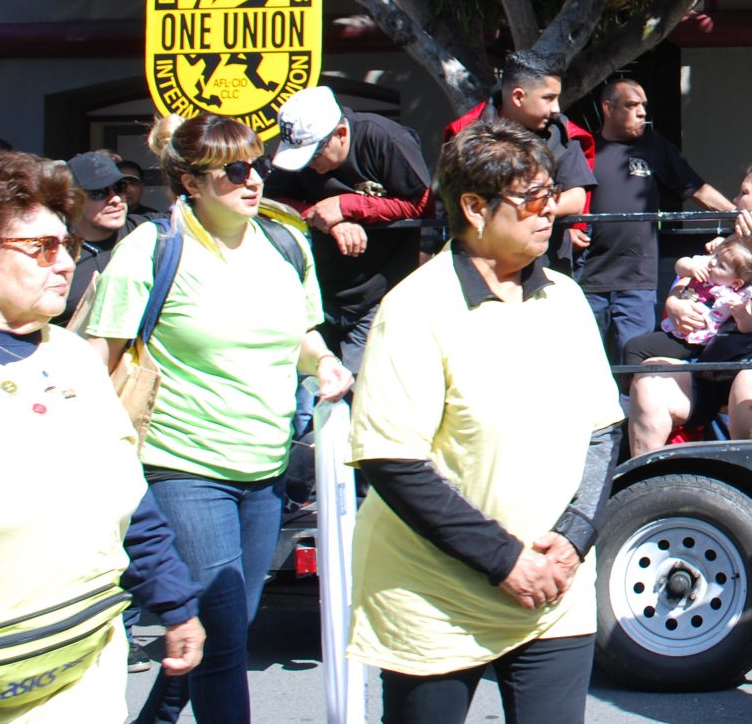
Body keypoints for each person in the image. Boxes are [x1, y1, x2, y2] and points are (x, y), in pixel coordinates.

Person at [346, 119, 622, 723]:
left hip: (555, 593)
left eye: (553, 195)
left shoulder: (567, 300)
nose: (551, 212)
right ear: (474, 207)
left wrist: (573, 541)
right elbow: (392, 462)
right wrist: (505, 561)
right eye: (533, 200)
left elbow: (604, 432)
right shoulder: (415, 308)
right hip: (434, 600)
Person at [84, 113, 353, 724]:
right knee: (227, 635)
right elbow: (95, 363)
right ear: (191, 183)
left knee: (222, 629)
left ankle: (156, 717)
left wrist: (326, 365)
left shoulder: (285, 241)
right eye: (233, 170)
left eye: (255, 163)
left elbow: (301, 335)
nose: (252, 179)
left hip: (265, 468)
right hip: (182, 467)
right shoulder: (151, 249)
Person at [0, 152, 204, 722]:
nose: (62, 265)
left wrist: (175, 605)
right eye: (41, 249)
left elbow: (129, 497)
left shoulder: (75, 356)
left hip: (88, 667)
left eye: (67, 247)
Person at [626, 162, 752, 451]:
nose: (736, 201)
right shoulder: (738, 240)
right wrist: (674, 302)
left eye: (744, 192)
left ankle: (749, 488)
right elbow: (695, 275)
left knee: (750, 382)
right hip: (721, 361)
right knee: (650, 377)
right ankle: (649, 485)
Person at [266, 86, 435, 373]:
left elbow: (422, 204)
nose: (309, 166)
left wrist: (349, 205)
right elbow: (271, 201)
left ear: (341, 134)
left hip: (380, 292)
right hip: (319, 294)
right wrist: (324, 217)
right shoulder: (301, 160)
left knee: (363, 386)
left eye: (314, 155)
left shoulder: (384, 139)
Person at [575, 77, 733, 363]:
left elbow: (696, 189)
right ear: (608, 108)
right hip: (587, 277)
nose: (642, 112)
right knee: (586, 361)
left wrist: (739, 217)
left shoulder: (655, 147)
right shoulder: (585, 149)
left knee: (635, 359)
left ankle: (633, 410)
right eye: (632, 105)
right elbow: (566, 196)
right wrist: (571, 228)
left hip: (637, 279)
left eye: (644, 106)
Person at [444, 51, 596, 272]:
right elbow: (451, 202)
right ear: (517, 97)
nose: (557, 108)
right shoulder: (468, 133)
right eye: (548, 98)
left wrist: (526, 209)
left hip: (548, 262)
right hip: (481, 262)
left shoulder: (562, 133)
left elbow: (576, 199)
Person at [618, 237, 752, 365]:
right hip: (674, 327)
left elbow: (749, 328)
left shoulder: (738, 297)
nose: (713, 262)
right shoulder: (703, 269)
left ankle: (626, 390)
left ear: (736, 283)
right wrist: (691, 268)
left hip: (694, 342)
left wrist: (741, 315)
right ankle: (632, 387)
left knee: (634, 348)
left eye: (721, 266)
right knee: (640, 346)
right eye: (716, 256)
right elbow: (680, 265)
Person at [62, 149, 137, 325]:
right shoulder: (56, 255)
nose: (116, 199)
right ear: (72, 200)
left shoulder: (148, 230)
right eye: (99, 192)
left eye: (120, 188)